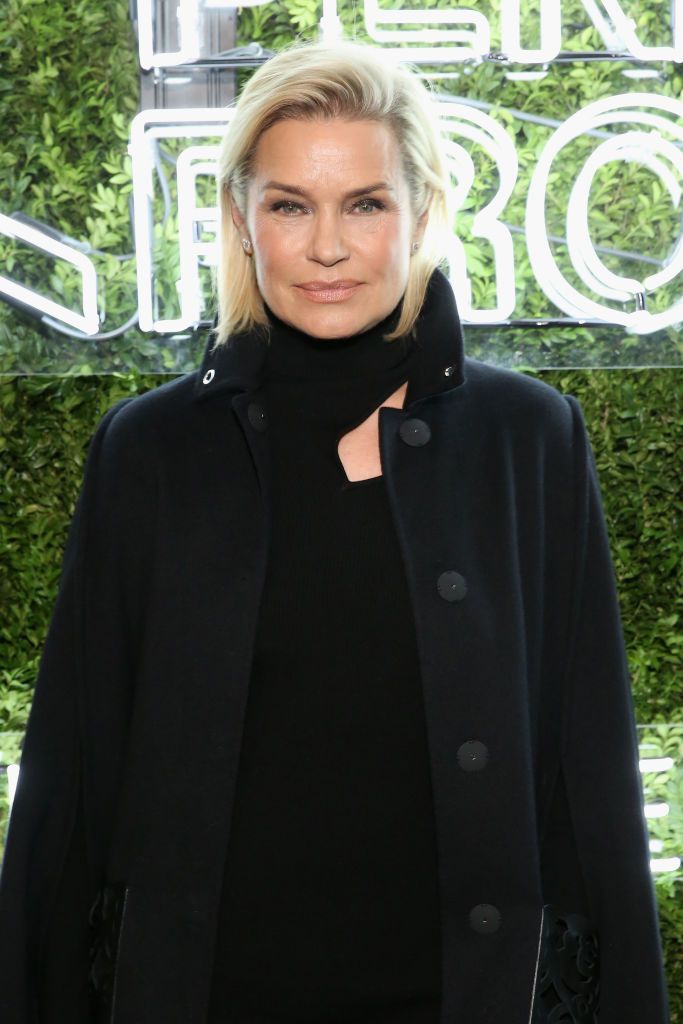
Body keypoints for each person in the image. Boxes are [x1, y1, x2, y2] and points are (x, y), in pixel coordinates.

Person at [0, 39, 670, 1024]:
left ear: (422, 211)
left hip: (460, 999)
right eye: (289, 205)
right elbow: (72, 776)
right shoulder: (150, 449)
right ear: (240, 218)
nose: (326, 246)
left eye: (364, 204)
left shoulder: (528, 439)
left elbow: (592, 772)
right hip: (207, 998)